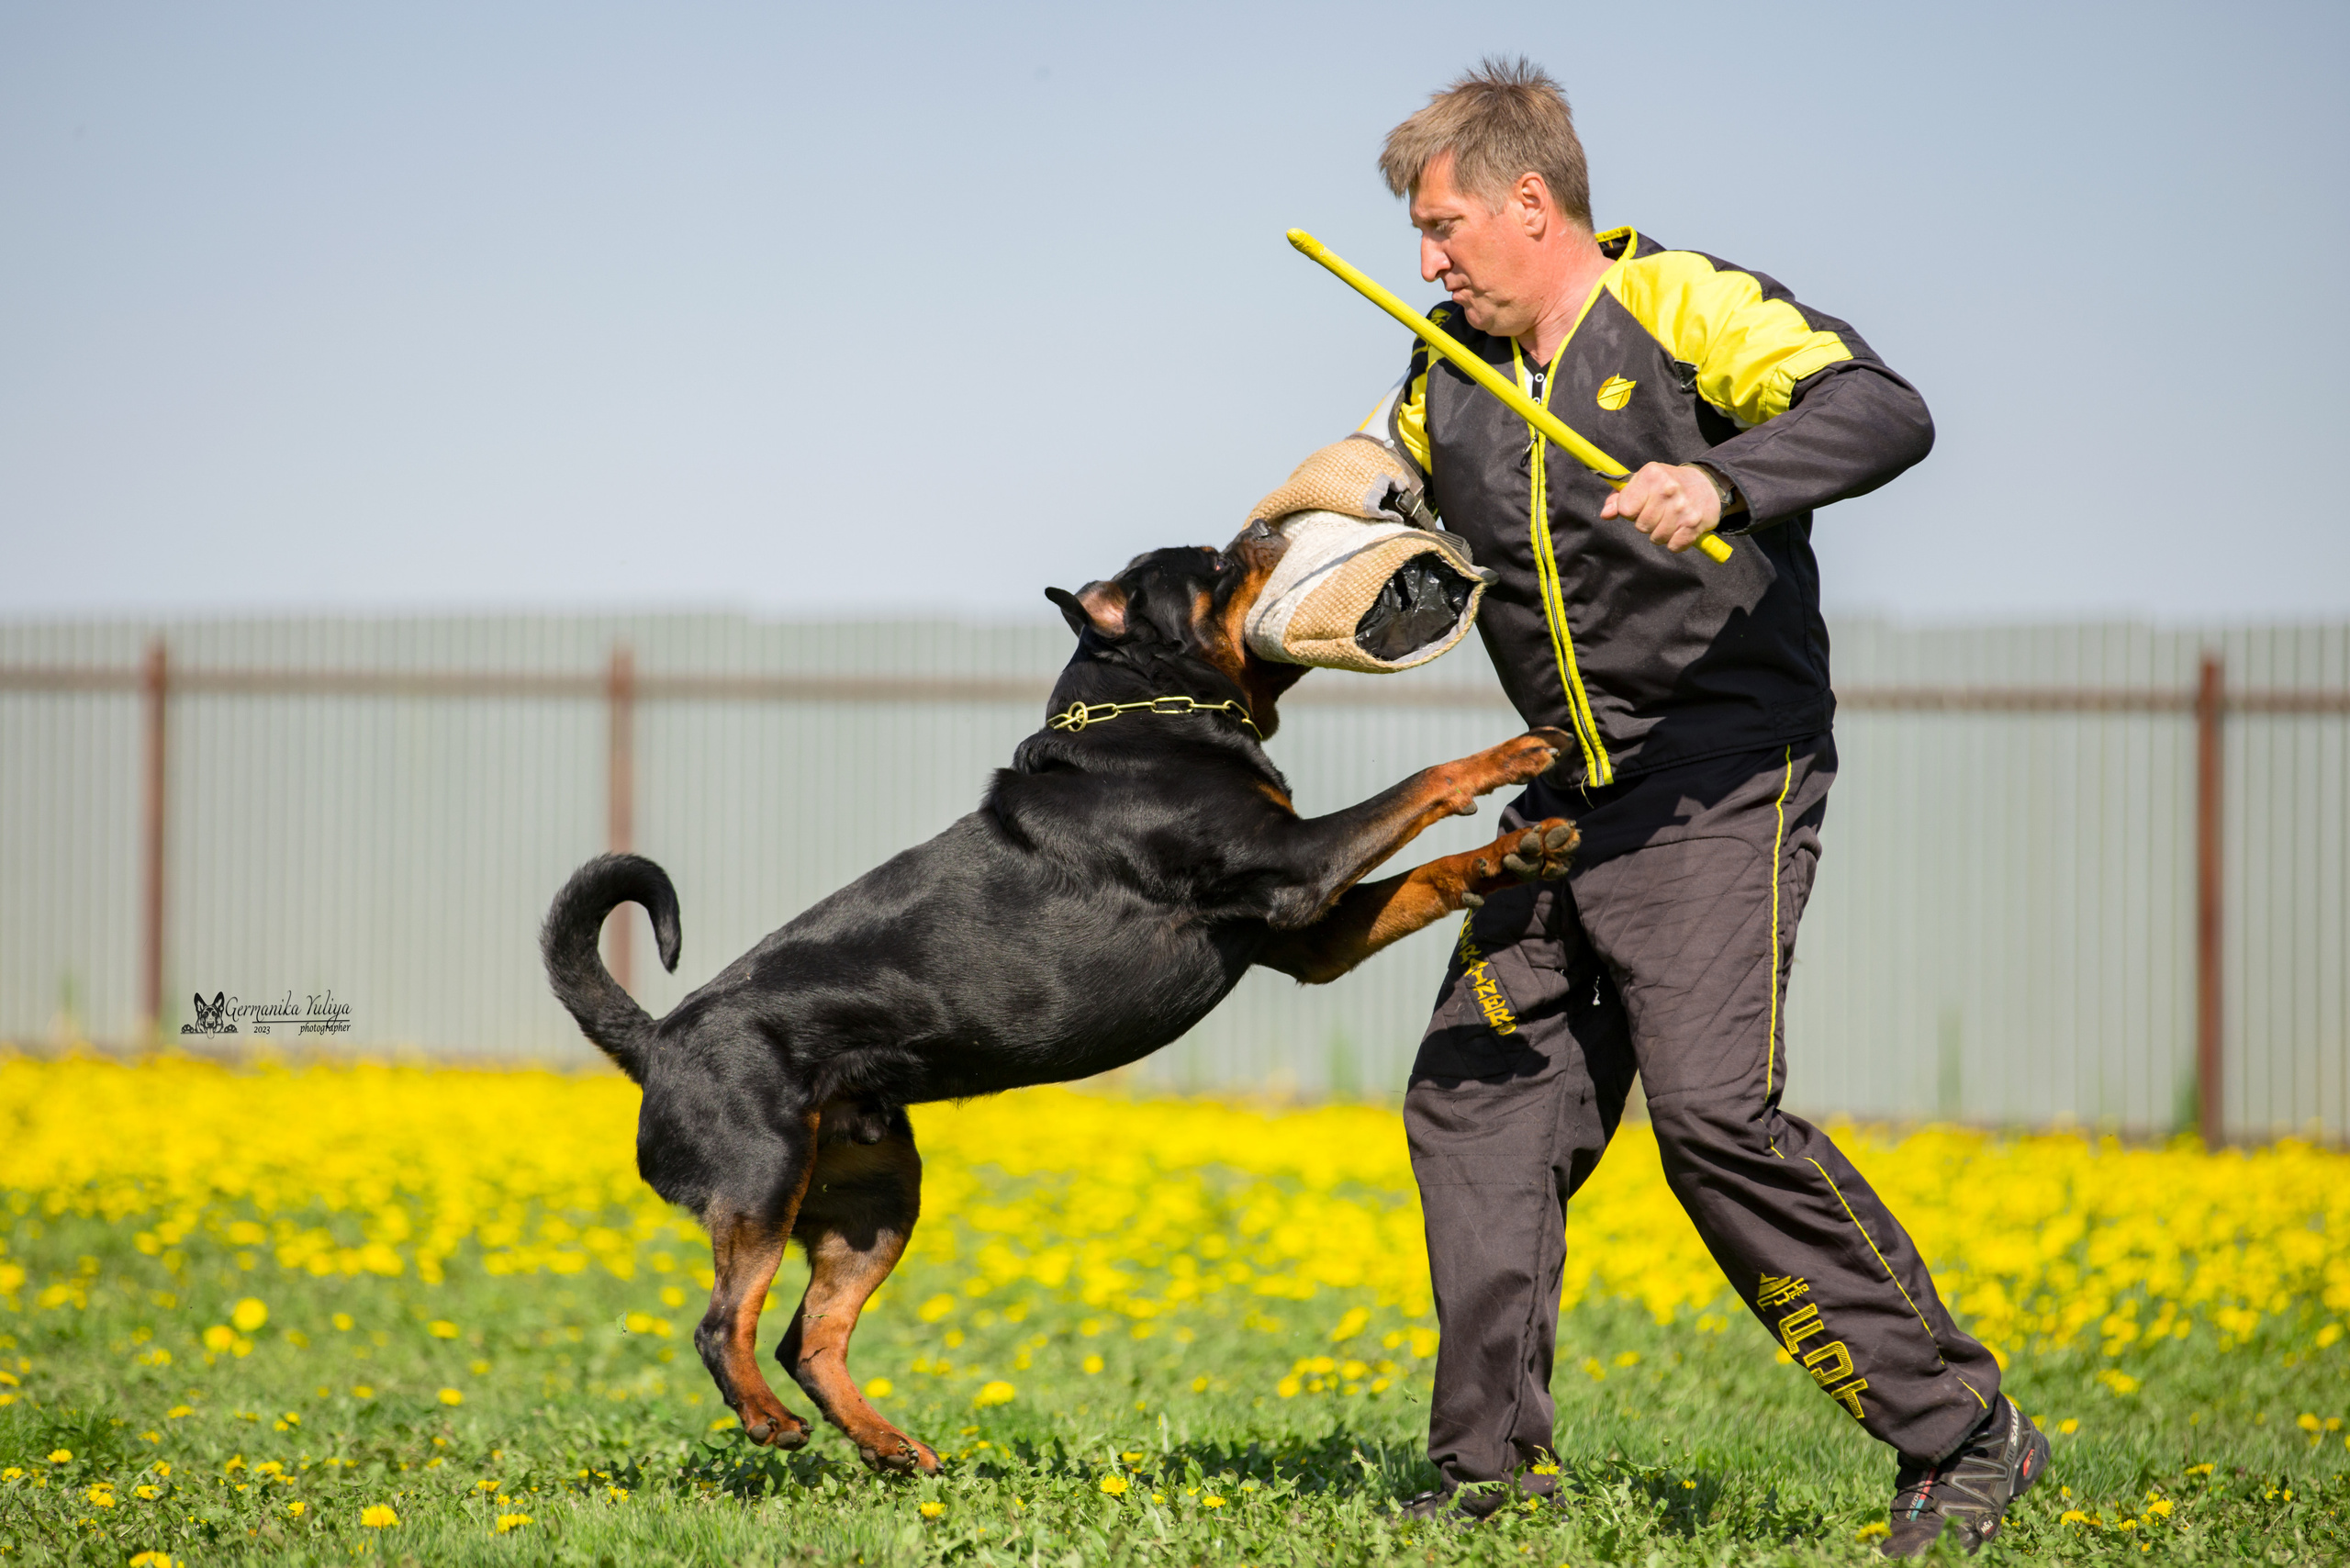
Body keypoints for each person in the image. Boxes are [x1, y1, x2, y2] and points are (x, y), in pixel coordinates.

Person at [1252, 60, 2046, 1558]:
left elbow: (1886, 408)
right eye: (1420, 236)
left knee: (1711, 1121)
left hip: (1717, 775)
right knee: (1477, 1104)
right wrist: (1269, 539)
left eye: (1444, 226)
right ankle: (1488, 1473)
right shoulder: (1447, 367)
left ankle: (1963, 1431)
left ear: (1532, 203)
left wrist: (1726, 482)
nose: (1428, 259)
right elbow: (1367, 468)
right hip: (1565, 786)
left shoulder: (1680, 307)